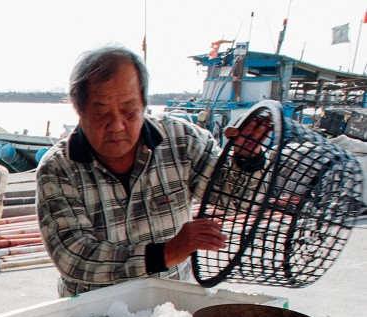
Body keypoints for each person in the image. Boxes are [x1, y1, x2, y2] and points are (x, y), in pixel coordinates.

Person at [36, 45, 265, 297]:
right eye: (101, 110)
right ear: (78, 109)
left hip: (172, 307)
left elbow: (235, 200)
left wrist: (247, 158)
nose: (117, 125)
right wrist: (165, 253)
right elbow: (74, 258)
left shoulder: (183, 141)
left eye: (128, 109)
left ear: (144, 103)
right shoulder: (58, 167)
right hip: (92, 315)